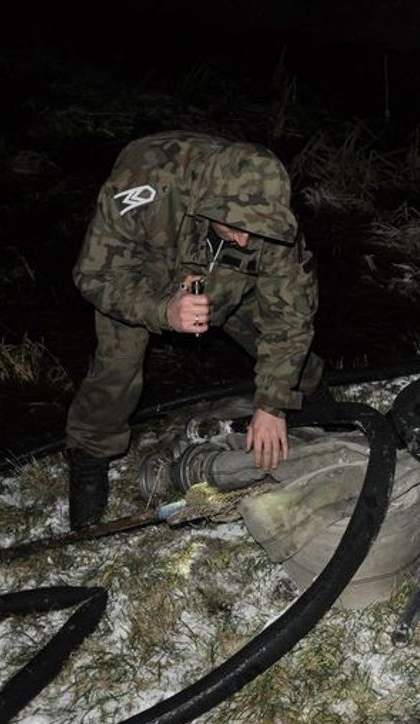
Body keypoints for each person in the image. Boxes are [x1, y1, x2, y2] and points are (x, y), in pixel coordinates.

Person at [64, 130, 327, 530]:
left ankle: (316, 396)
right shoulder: (143, 183)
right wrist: (162, 311)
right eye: (236, 224)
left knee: (286, 349)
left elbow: (289, 318)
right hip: (143, 272)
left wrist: (271, 404)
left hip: (221, 276)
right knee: (116, 367)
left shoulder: (267, 226)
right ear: (209, 204)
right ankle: (90, 455)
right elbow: (94, 274)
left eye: (255, 228)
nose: (244, 238)